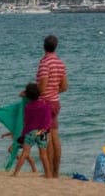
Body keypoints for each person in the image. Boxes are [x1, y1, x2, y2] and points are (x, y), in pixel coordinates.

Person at [35, 33, 69, 179]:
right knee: (55, 137)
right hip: (55, 102)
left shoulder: (45, 63)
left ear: (44, 46)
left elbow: (42, 87)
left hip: (45, 104)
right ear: (55, 47)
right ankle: (55, 172)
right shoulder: (60, 63)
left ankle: (48, 173)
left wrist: (29, 93)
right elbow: (65, 86)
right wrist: (55, 90)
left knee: (46, 138)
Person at [14, 82, 55, 178]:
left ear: (28, 95)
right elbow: (48, 120)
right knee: (43, 155)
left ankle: (15, 173)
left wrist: (23, 134)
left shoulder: (28, 107)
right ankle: (49, 175)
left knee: (25, 153)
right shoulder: (45, 105)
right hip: (43, 132)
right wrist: (44, 129)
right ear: (39, 93)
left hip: (30, 131)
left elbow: (26, 121)